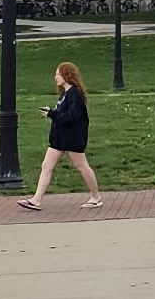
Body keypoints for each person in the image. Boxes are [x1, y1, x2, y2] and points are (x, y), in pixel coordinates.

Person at [19, 61, 101, 211]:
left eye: (58, 74)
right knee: (46, 166)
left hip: (73, 138)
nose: (55, 77)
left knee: (81, 165)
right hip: (59, 138)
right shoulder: (64, 94)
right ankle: (36, 200)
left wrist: (52, 114)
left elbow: (72, 117)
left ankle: (96, 197)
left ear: (66, 75)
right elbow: (61, 115)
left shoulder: (74, 94)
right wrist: (52, 114)